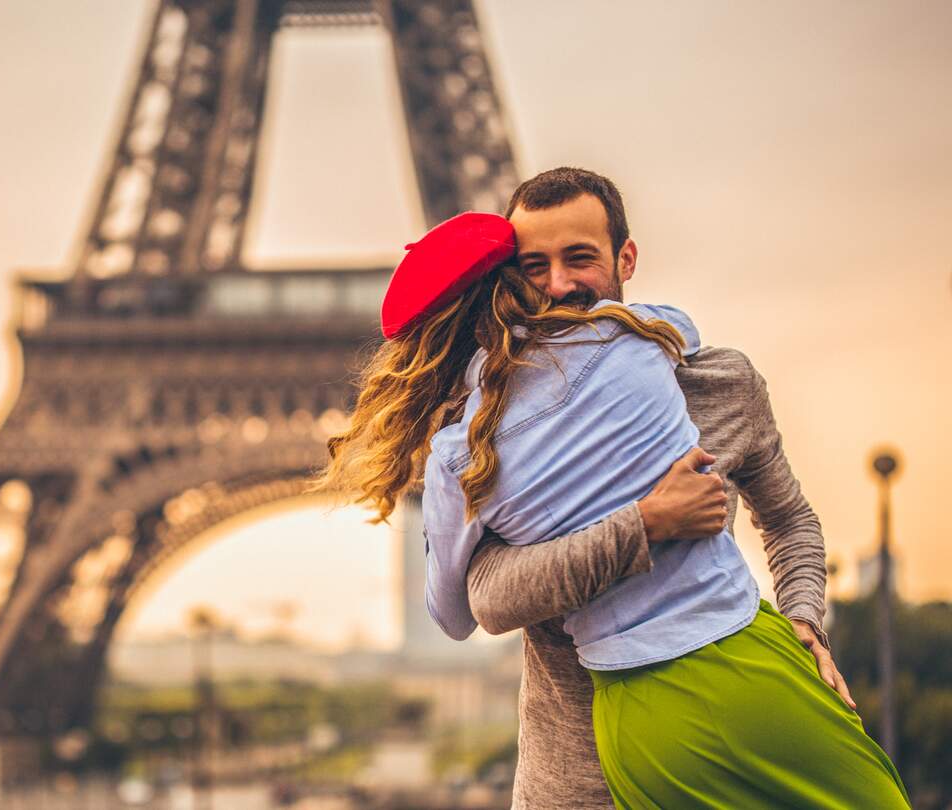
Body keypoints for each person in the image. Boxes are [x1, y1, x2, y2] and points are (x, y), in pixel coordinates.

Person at [309, 167, 910, 808]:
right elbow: (487, 596)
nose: (559, 284)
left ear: (625, 258)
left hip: (727, 722)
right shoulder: (492, 437)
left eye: (580, 258)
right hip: (574, 784)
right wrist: (647, 523)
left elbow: (789, 521)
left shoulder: (721, 383)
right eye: (534, 266)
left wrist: (804, 619)